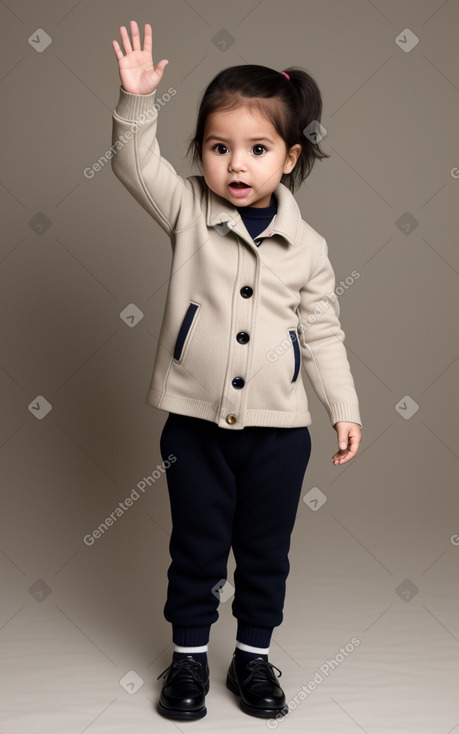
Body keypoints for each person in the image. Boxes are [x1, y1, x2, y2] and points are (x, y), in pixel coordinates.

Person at [111, 20, 362, 721]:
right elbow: (136, 166)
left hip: (279, 434)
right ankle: (187, 661)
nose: (235, 165)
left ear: (288, 158)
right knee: (194, 546)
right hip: (194, 428)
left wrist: (344, 407)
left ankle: (252, 660)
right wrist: (136, 103)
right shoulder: (188, 208)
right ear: (202, 154)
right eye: (219, 149)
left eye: (256, 149)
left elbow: (322, 333)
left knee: (263, 553)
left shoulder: (308, 248)